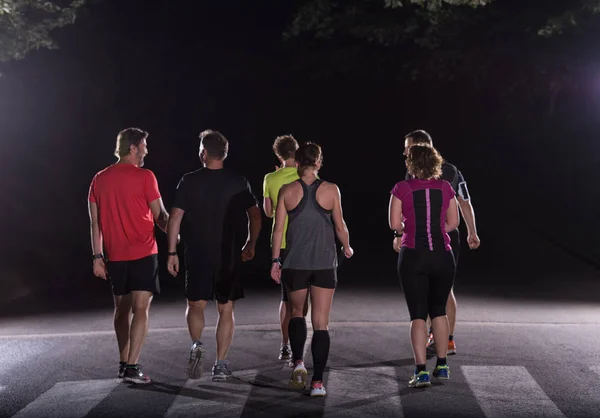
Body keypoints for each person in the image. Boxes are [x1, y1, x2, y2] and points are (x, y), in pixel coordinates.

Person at [166, 129, 261, 382]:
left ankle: (197, 344)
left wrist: (171, 252)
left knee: (195, 305)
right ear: (225, 153)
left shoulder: (188, 180)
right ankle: (220, 364)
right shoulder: (238, 181)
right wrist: (251, 243)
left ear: (204, 153)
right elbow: (255, 215)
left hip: (197, 252)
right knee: (226, 309)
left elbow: (175, 217)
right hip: (228, 254)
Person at [270, 142, 353, 397]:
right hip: (325, 264)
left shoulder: (287, 190)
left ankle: (298, 363)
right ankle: (317, 382)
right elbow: (340, 226)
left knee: (296, 313)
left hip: (295, 263)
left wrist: (275, 260)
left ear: (297, 161)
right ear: (318, 161)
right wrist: (347, 247)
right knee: (321, 323)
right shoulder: (331, 190)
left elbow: (278, 230)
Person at [88, 127, 169, 384]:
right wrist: (177, 232)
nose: (146, 150)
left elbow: (94, 223)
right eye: (144, 145)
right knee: (140, 310)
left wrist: (97, 256)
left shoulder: (99, 179)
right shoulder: (146, 176)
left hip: (115, 256)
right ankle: (133, 367)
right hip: (144, 252)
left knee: (121, 311)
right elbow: (161, 217)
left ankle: (124, 364)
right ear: (133, 148)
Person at [398, 129, 481, 356]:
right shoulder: (452, 172)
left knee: (424, 287)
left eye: (407, 147)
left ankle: (431, 340)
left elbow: (404, 210)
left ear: (420, 146)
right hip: (446, 234)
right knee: (445, 287)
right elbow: (465, 203)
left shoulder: (415, 173)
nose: (404, 152)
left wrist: (398, 235)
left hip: (426, 236)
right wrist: (472, 231)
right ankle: (447, 339)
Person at [389, 144, 460, 388]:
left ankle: (421, 371)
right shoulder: (445, 187)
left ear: (412, 164)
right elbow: (453, 223)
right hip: (442, 254)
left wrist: (410, 229)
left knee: (418, 313)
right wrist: (436, 229)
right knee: (438, 310)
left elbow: (393, 223)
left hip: (413, 255)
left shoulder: (401, 188)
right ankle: (442, 365)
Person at [262, 134, 309, 363]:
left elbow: (268, 212)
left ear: (278, 154)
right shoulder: (308, 175)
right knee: (302, 298)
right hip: (304, 241)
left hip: (280, 244)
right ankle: (297, 339)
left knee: (286, 298)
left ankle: (285, 345)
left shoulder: (270, 178)